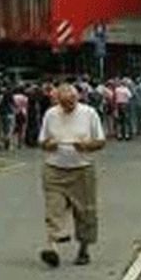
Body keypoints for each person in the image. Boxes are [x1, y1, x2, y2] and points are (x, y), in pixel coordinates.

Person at [38, 83, 106, 268]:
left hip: (82, 168)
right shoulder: (51, 114)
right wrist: (49, 145)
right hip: (55, 168)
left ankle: (84, 249)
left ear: (77, 98)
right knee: (54, 209)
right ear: (58, 101)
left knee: (85, 211)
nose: (68, 106)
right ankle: (52, 247)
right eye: (64, 103)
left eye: (71, 102)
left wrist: (86, 146)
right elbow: (42, 141)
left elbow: (101, 141)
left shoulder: (89, 113)